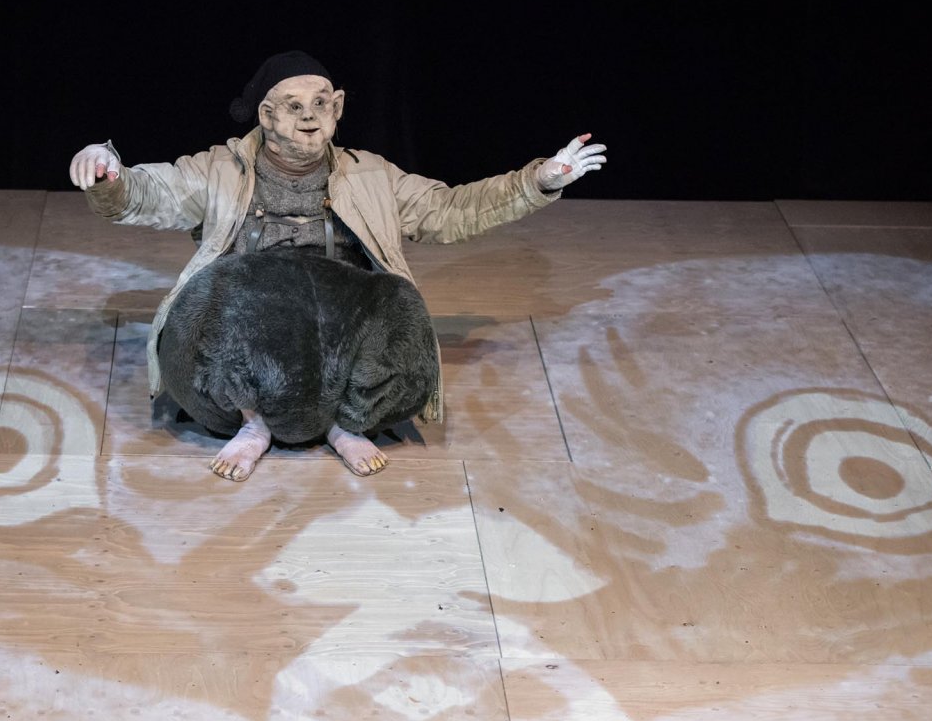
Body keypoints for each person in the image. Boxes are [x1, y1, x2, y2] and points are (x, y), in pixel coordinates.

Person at [69, 51, 606, 481]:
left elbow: (448, 210)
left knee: (400, 306)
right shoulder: (219, 170)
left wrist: (537, 182)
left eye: (320, 103)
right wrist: (110, 172)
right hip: (251, 326)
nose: (309, 117)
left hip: (341, 327)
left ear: (338, 109)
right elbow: (149, 193)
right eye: (294, 105)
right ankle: (254, 422)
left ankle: (345, 421)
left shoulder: (369, 175)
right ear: (266, 115)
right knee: (211, 297)